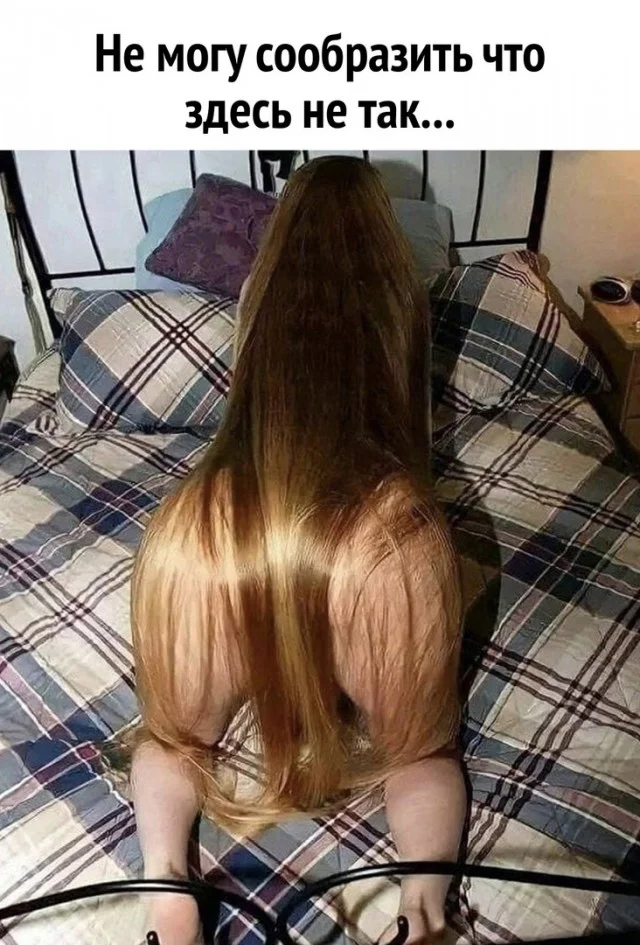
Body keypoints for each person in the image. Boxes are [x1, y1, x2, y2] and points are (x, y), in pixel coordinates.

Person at [129, 156, 466, 945]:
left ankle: (166, 888)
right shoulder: (405, 292)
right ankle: (422, 907)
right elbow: (421, 756)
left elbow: (173, 743)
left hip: (210, 533)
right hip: (382, 545)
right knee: (421, 752)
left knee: (174, 739)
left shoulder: (254, 291)